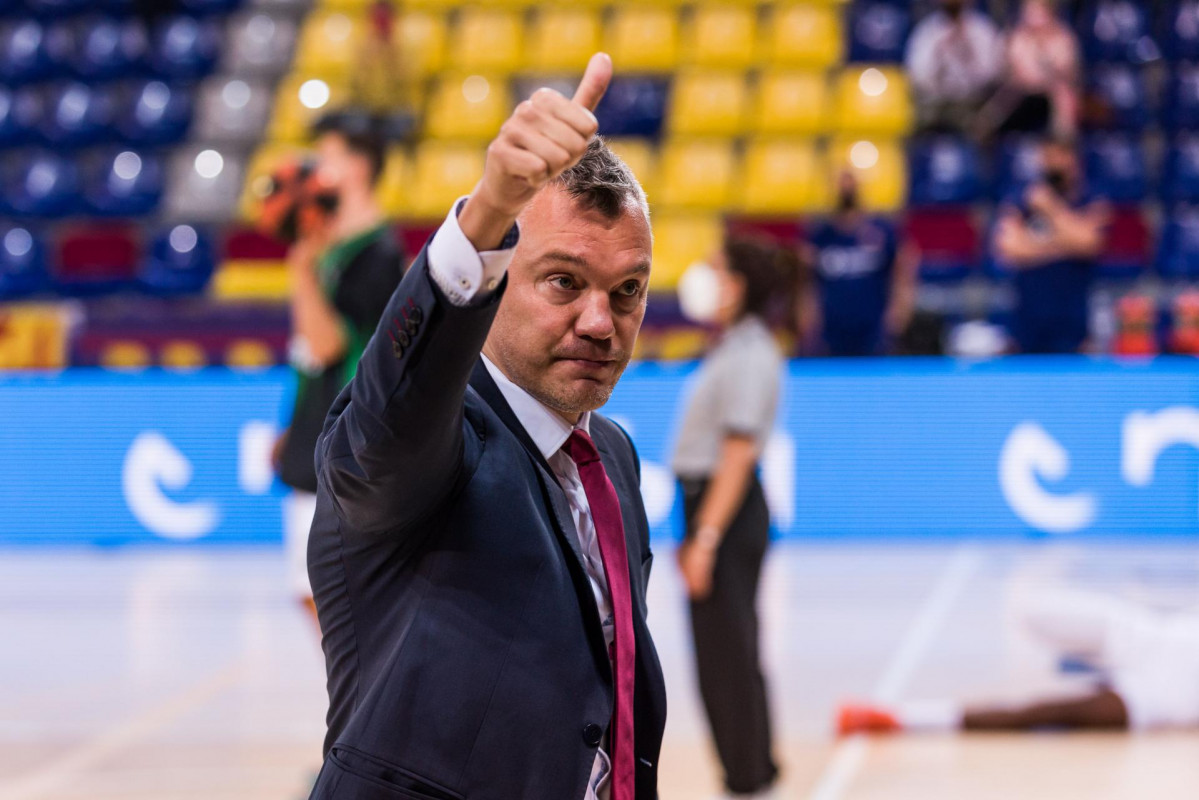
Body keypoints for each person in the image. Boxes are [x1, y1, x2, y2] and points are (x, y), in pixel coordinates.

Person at [306, 54, 668, 800]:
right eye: (564, 282)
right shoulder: (425, 442)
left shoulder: (612, 457)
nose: (601, 322)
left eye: (626, 291)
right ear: (500, 277)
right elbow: (392, 413)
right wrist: (487, 215)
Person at [672, 239, 795, 798]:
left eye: (717, 270)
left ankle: (747, 774)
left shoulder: (752, 354)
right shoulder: (729, 348)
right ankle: (753, 766)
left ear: (739, 284)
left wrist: (706, 536)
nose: (707, 278)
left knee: (727, 650)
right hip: (710, 507)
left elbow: (739, 452)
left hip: (727, 509)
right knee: (730, 644)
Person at [274, 110, 404, 620]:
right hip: (316, 431)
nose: (316, 168)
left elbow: (328, 345)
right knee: (313, 590)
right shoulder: (334, 248)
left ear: (359, 167)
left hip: (345, 444)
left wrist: (299, 270)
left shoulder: (377, 257)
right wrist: (291, 423)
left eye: (328, 156)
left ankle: (360, 697)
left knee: (331, 592)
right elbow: (309, 357)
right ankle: (355, 696)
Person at [839, 586, 1199, 735]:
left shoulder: (1164, 700)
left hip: (1161, 696)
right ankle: (1080, 662)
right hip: (1149, 637)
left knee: (1041, 713)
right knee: (1030, 610)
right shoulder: (1145, 632)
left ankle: (905, 717)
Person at [993, 135, 1110, 354]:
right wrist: (1065, 245)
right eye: (1047, 156)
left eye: (1059, 155)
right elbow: (1008, 249)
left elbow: (1089, 244)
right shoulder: (1022, 197)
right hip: (1028, 322)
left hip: (1073, 322)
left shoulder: (1091, 198)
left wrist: (1050, 208)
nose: (1052, 162)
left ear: (1073, 159)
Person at [799, 171, 919, 357]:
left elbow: (903, 269)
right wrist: (808, 317)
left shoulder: (882, 231)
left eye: (850, 182)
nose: (846, 188)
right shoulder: (820, 235)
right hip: (832, 330)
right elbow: (807, 282)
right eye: (842, 182)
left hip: (873, 328)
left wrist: (900, 310)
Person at [976, 0, 1080, 139]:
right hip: (1021, 91)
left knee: (1063, 94)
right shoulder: (1017, 37)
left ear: (1049, 13)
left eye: (1036, 10)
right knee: (1006, 93)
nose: (1030, 15)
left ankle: (1063, 142)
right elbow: (1012, 70)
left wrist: (1042, 52)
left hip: (1049, 93)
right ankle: (984, 130)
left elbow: (1066, 73)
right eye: (1028, 10)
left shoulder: (1063, 37)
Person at [905, 0, 1003, 133]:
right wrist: (939, 53)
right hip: (936, 104)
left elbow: (991, 73)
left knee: (988, 119)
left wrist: (968, 53)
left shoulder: (982, 29)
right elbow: (918, 76)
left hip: (973, 103)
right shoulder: (927, 30)